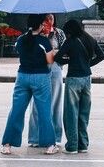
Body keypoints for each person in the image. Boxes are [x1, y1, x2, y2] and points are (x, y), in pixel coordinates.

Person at [1, 14, 59, 155]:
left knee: (16, 111)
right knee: (44, 111)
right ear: (40, 25)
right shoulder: (43, 41)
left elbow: (21, 52)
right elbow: (50, 61)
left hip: (22, 77)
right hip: (41, 78)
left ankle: (7, 144)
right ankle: (50, 145)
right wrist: (54, 51)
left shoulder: (21, 39)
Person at [55, 19, 104, 154]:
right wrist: (88, 64)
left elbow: (58, 58)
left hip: (73, 79)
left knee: (71, 113)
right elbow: (101, 55)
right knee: (84, 113)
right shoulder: (90, 39)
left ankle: (72, 145)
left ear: (70, 30)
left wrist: (69, 60)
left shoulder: (70, 41)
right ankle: (83, 145)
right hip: (87, 79)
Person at [27, 14, 65, 148]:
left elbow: (66, 51)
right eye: (46, 18)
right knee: (37, 104)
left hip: (55, 68)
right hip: (38, 67)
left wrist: (53, 51)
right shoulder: (34, 33)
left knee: (55, 102)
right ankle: (35, 137)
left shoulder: (59, 33)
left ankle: (55, 136)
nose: (49, 21)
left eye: (51, 18)